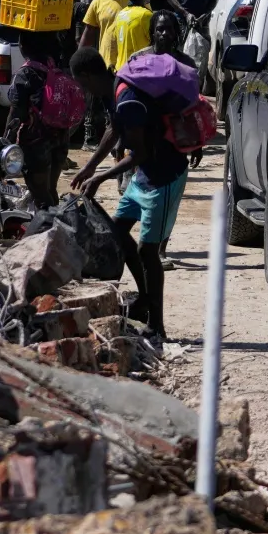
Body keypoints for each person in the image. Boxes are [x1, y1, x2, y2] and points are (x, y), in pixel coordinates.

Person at [70, 45, 193, 341]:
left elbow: (140, 152)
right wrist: (89, 167)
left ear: (87, 75)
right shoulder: (116, 89)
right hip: (144, 175)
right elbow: (114, 129)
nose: (82, 90)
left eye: (80, 83)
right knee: (117, 231)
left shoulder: (128, 99)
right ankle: (144, 300)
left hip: (163, 175)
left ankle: (157, 324)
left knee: (147, 251)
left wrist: (100, 177)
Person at [8, 35, 80, 211]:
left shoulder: (25, 74)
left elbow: (16, 115)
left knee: (40, 196)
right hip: (60, 139)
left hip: (36, 145)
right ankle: (57, 225)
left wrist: (5, 144)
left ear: (24, 45)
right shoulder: (54, 68)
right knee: (50, 190)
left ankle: (48, 231)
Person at [100, 0, 155, 70]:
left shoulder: (121, 14)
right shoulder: (145, 15)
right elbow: (154, 44)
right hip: (138, 70)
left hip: (121, 69)